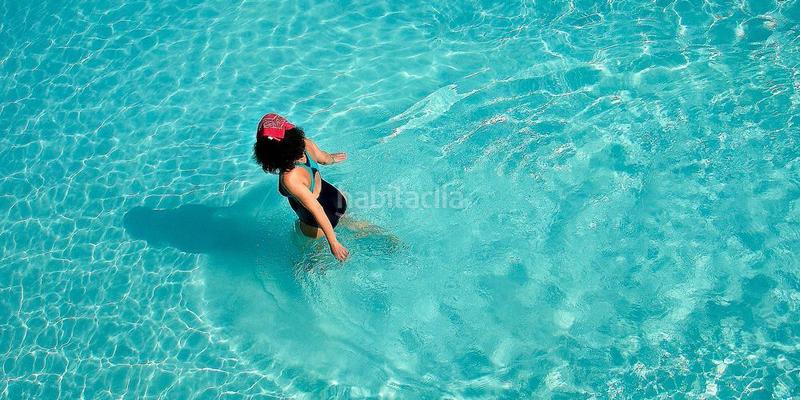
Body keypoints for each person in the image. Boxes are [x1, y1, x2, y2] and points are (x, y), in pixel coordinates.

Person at [252, 113, 350, 261]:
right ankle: (389, 241)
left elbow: (317, 209)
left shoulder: (290, 178)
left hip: (316, 222)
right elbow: (324, 158)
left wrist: (333, 243)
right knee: (350, 224)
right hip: (336, 199)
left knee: (309, 257)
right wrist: (333, 158)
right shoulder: (306, 144)